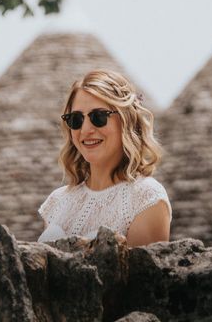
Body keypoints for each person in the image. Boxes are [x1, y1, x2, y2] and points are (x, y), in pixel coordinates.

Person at [38, 69, 171, 246]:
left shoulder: (147, 199)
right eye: (75, 119)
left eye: (98, 117)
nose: (85, 130)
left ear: (126, 120)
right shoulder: (57, 202)